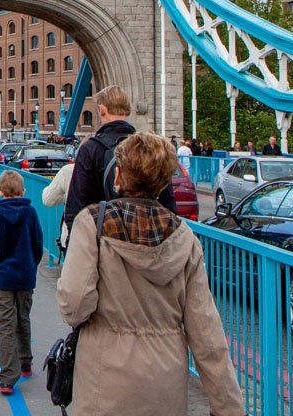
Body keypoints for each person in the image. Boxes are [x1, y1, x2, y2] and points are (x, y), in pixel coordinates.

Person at [56, 132, 244, 416]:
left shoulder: (92, 224)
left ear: (118, 174)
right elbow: (207, 334)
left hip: (103, 379)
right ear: (164, 182)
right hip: (165, 384)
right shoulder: (185, 237)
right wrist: (228, 408)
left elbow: (74, 305)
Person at [63, 86, 175, 234]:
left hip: (103, 238)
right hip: (148, 239)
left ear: (102, 109)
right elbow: (169, 205)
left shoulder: (90, 149)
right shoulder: (150, 147)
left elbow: (75, 207)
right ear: (127, 110)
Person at [0, 170, 43, 396]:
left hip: (4, 278)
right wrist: (30, 265)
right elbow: (38, 244)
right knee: (23, 318)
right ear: (23, 191)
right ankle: (26, 362)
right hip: (26, 275)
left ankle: (8, 377)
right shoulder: (31, 213)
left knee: (5, 325)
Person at [41, 159, 75, 252]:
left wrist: (66, 198)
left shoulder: (69, 170)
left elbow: (48, 199)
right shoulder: (110, 168)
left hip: (73, 236)